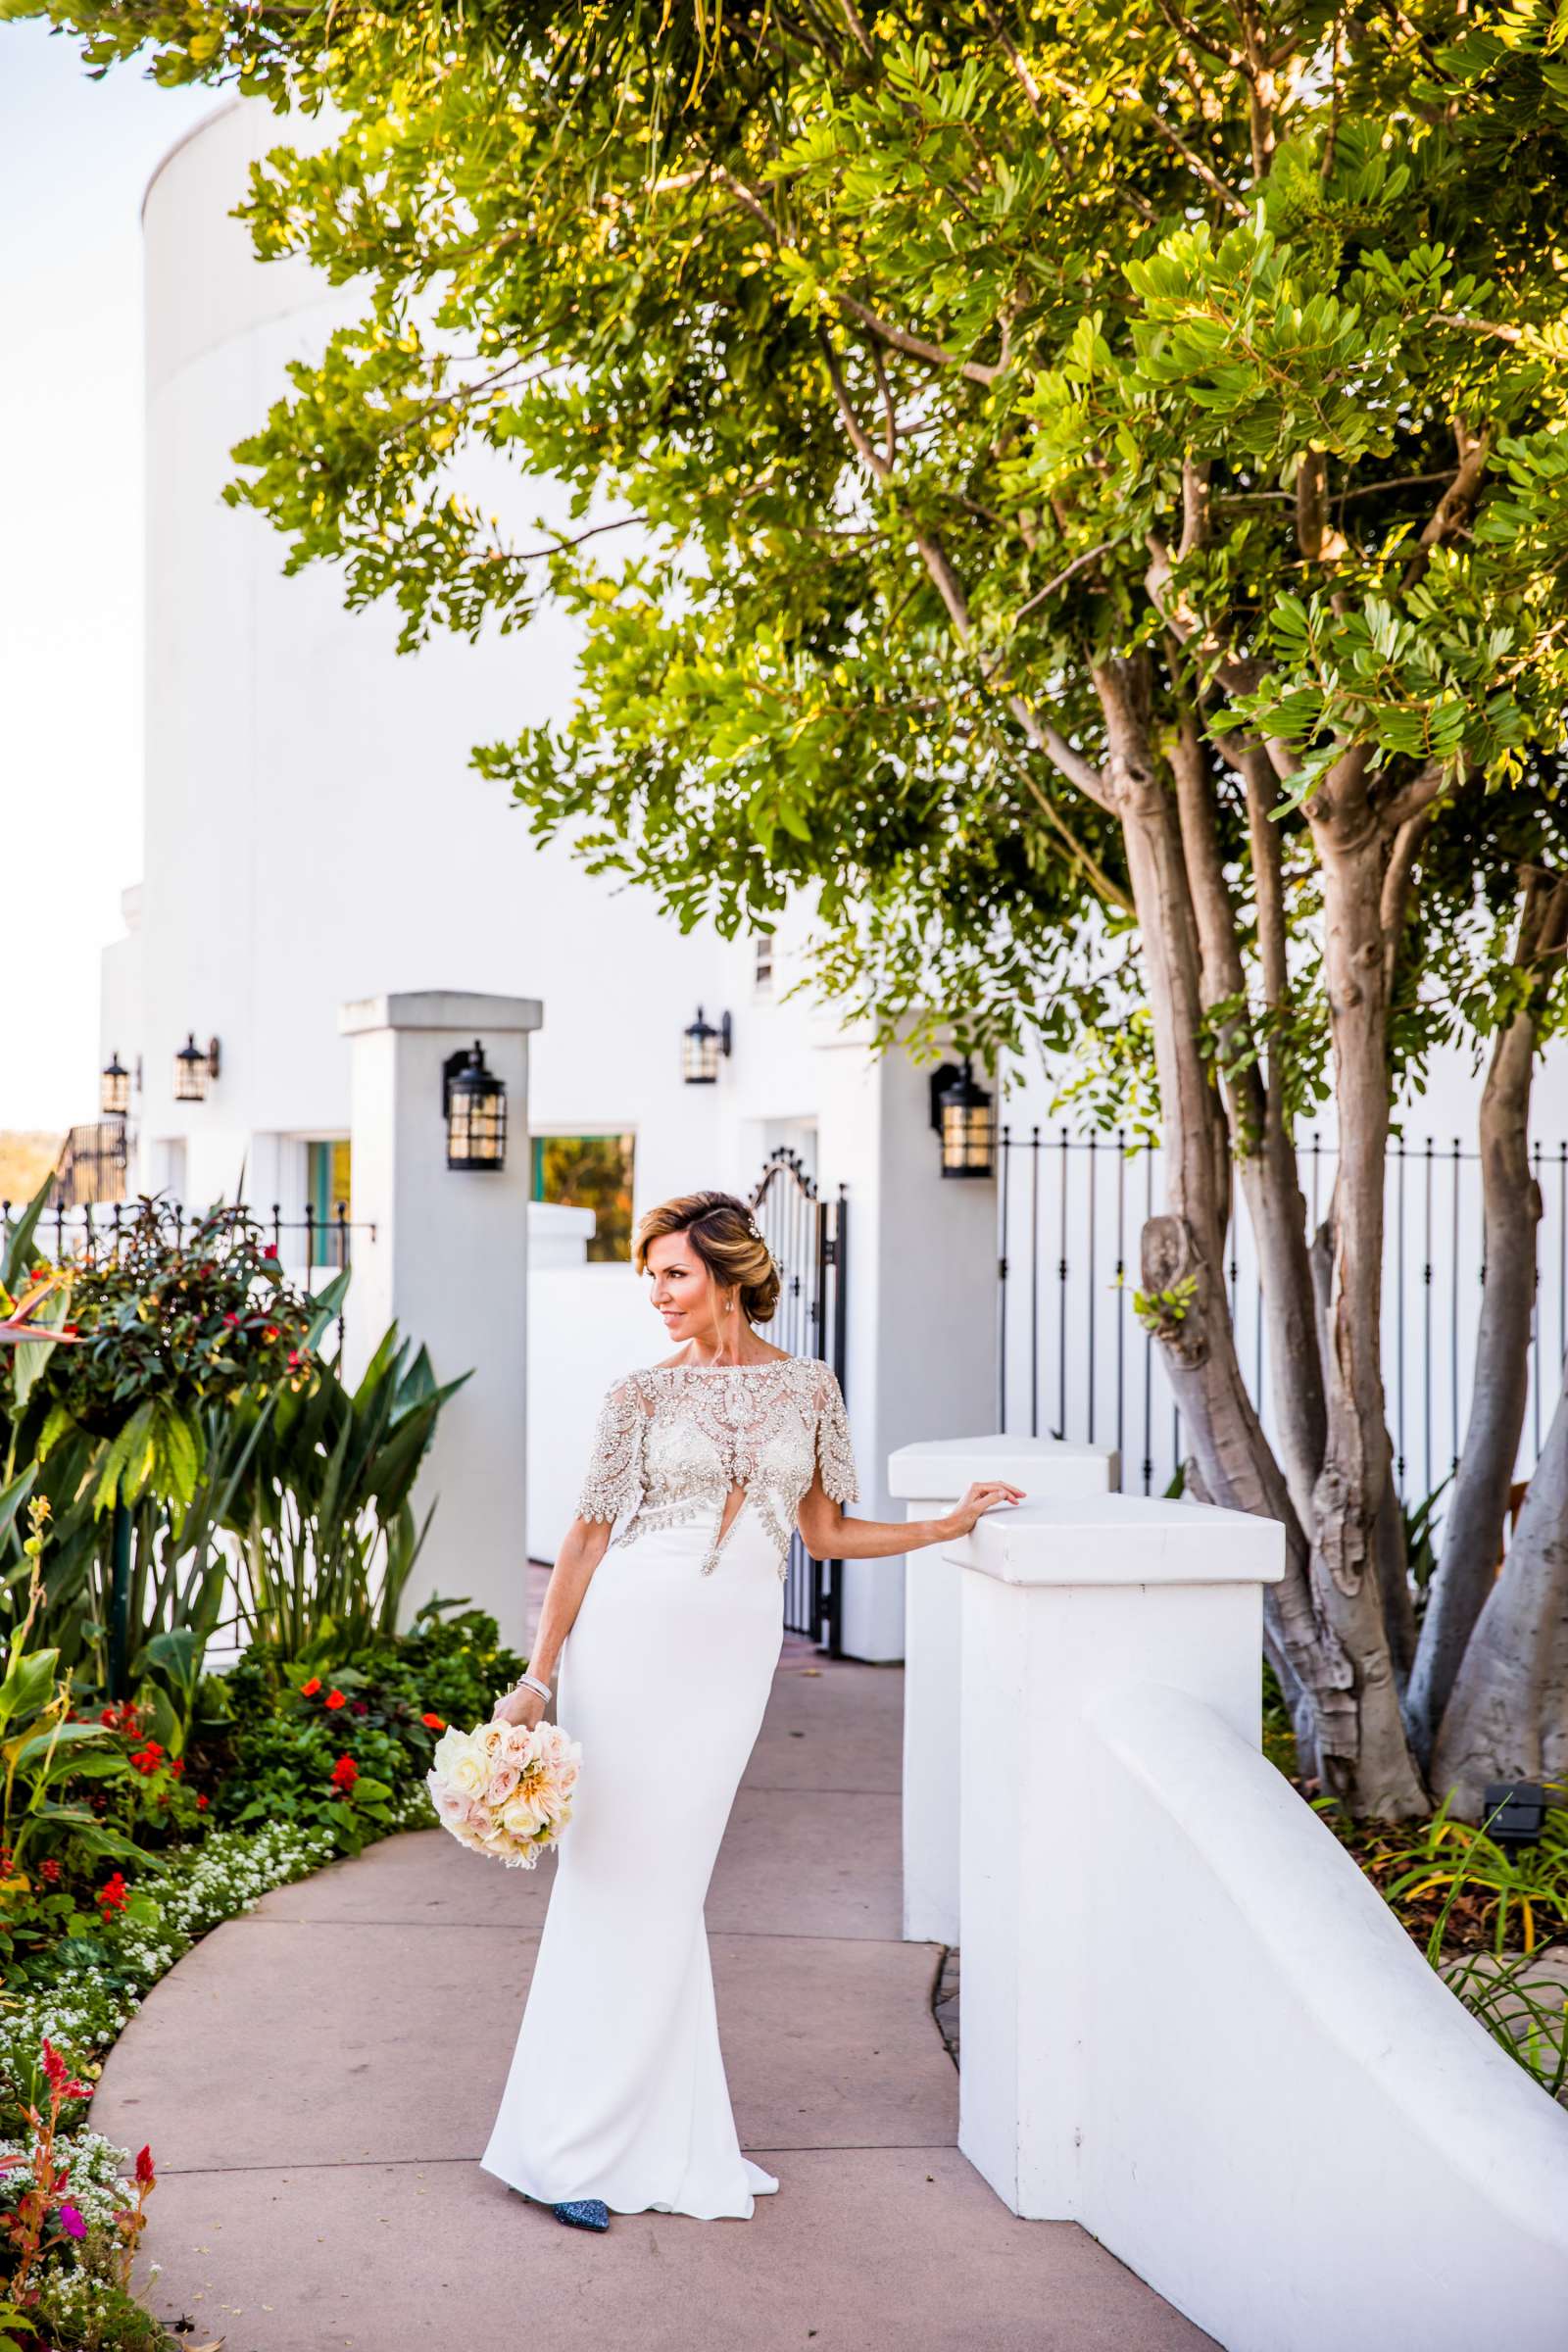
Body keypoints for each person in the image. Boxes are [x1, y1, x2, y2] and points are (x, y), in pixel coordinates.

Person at [478, 1189, 1024, 2230]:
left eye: (674, 1274)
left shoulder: (809, 1390)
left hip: (730, 1658)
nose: (657, 1294)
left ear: (730, 1276)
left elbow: (824, 1533)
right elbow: (585, 1544)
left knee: (670, 1887)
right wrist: (539, 1678)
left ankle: (667, 2138)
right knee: (613, 1886)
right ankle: (561, 2148)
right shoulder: (636, 1395)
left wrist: (946, 1529)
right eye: (650, 1275)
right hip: (629, 1645)